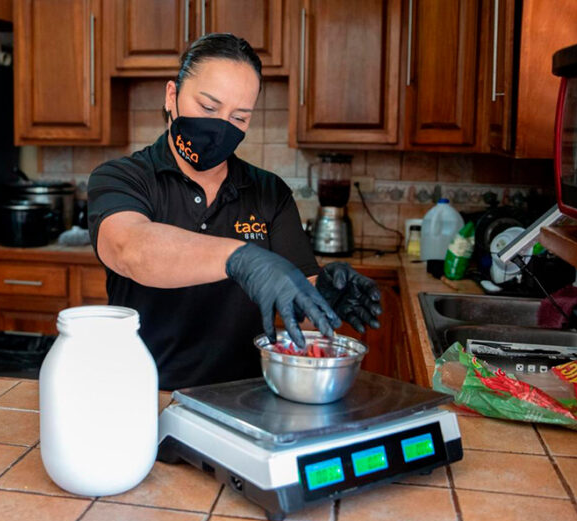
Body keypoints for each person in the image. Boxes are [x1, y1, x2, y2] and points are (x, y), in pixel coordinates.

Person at [88, 33, 381, 390]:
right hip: (143, 394)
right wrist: (239, 258)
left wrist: (324, 298)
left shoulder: (269, 193)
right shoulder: (123, 177)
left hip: (243, 398)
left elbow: (299, 314)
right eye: (208, 108)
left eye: (239, 117)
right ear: (171, 96)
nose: (221, 127)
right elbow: (130, 249)